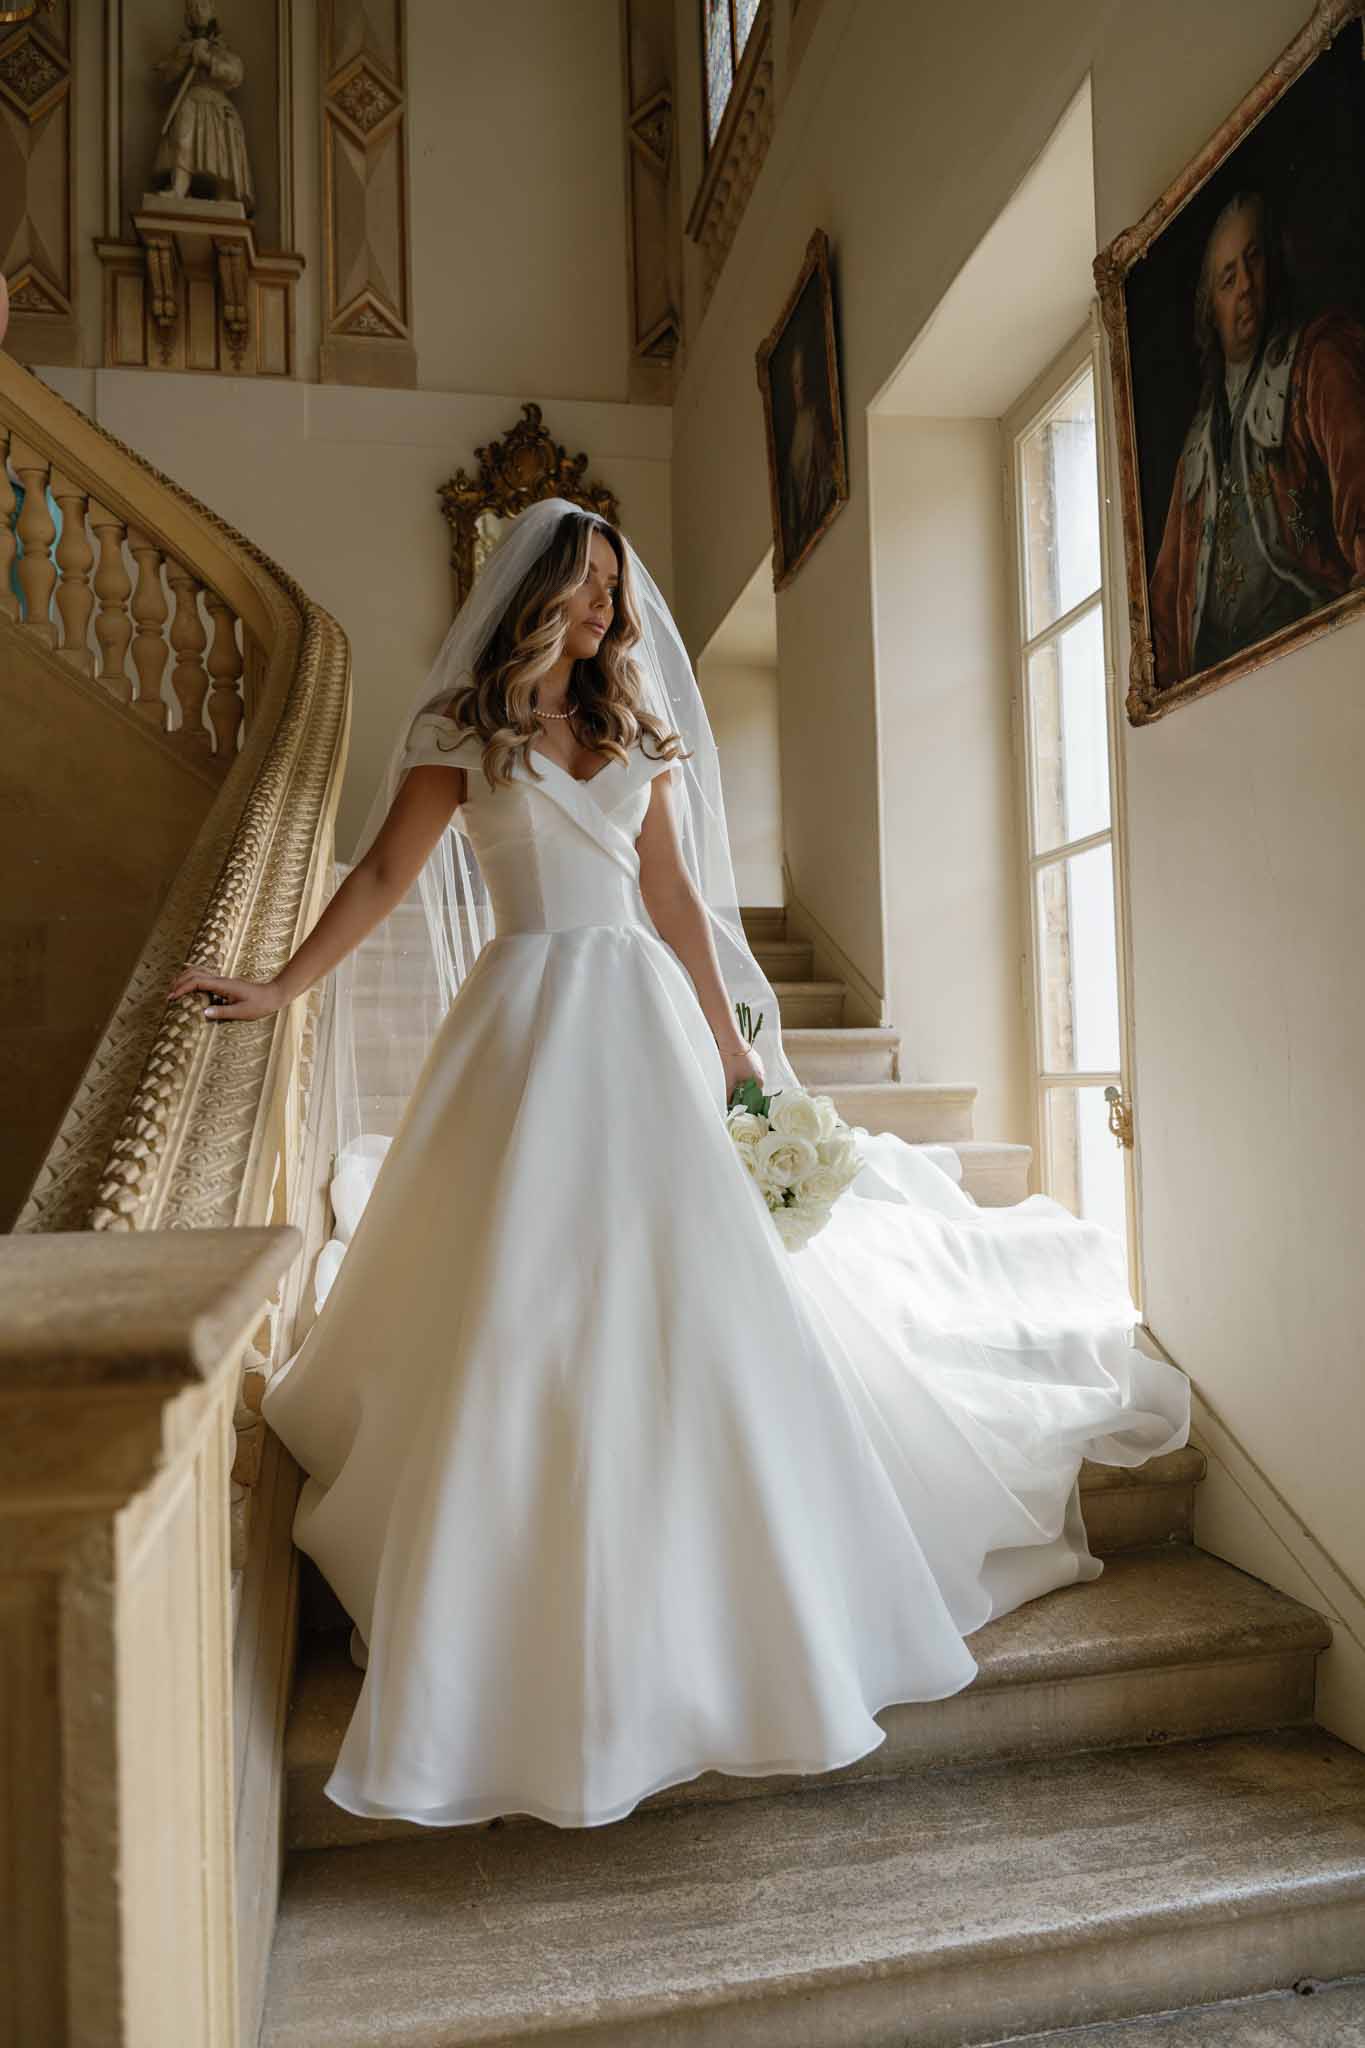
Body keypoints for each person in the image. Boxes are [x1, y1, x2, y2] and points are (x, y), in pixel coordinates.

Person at [167, 498, 1189, 1832]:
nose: (603, 611)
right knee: (520, 1307)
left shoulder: (633, 734)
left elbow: (676, 912)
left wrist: (740, 1061)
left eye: (610, 592)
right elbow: (380, 882)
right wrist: (279, 984)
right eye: (584, 589)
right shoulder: (464, 734)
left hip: (640, 1023)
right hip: (523, 1029)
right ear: (532, 592)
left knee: (691, 1306)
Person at [1148, 188, 1365, 688]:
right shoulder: (1198, 446)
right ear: (1212, 311)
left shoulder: (1317, 362)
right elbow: (1163, 608)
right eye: (1228, 278)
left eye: (1254, 261)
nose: (1245, 285)